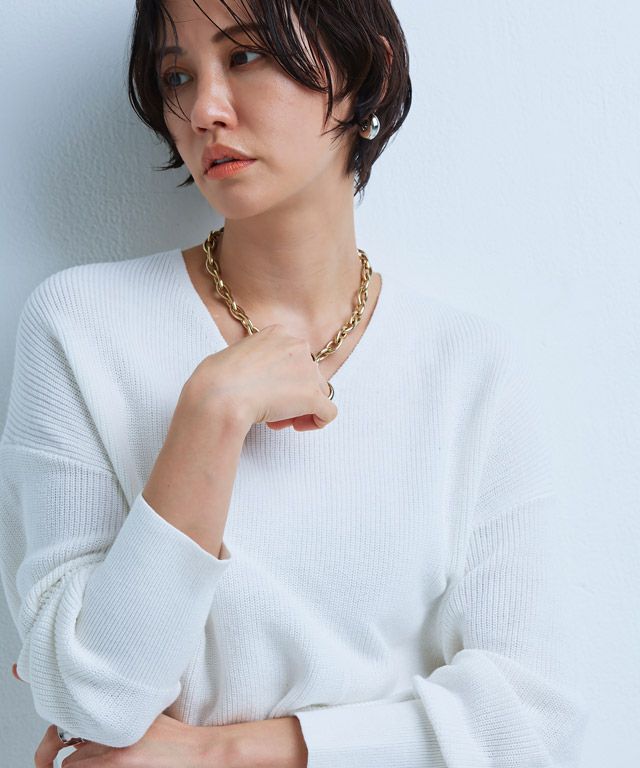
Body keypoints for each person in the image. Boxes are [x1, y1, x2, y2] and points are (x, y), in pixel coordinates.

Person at [0, 1, 588, 766]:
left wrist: (218, 756)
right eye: (177, 75)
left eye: (245, 56)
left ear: (365, 72)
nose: (204, 110)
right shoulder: (81, 327)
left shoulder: (467, 369)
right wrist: (210, 414)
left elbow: (535, 718)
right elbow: (91, 698)